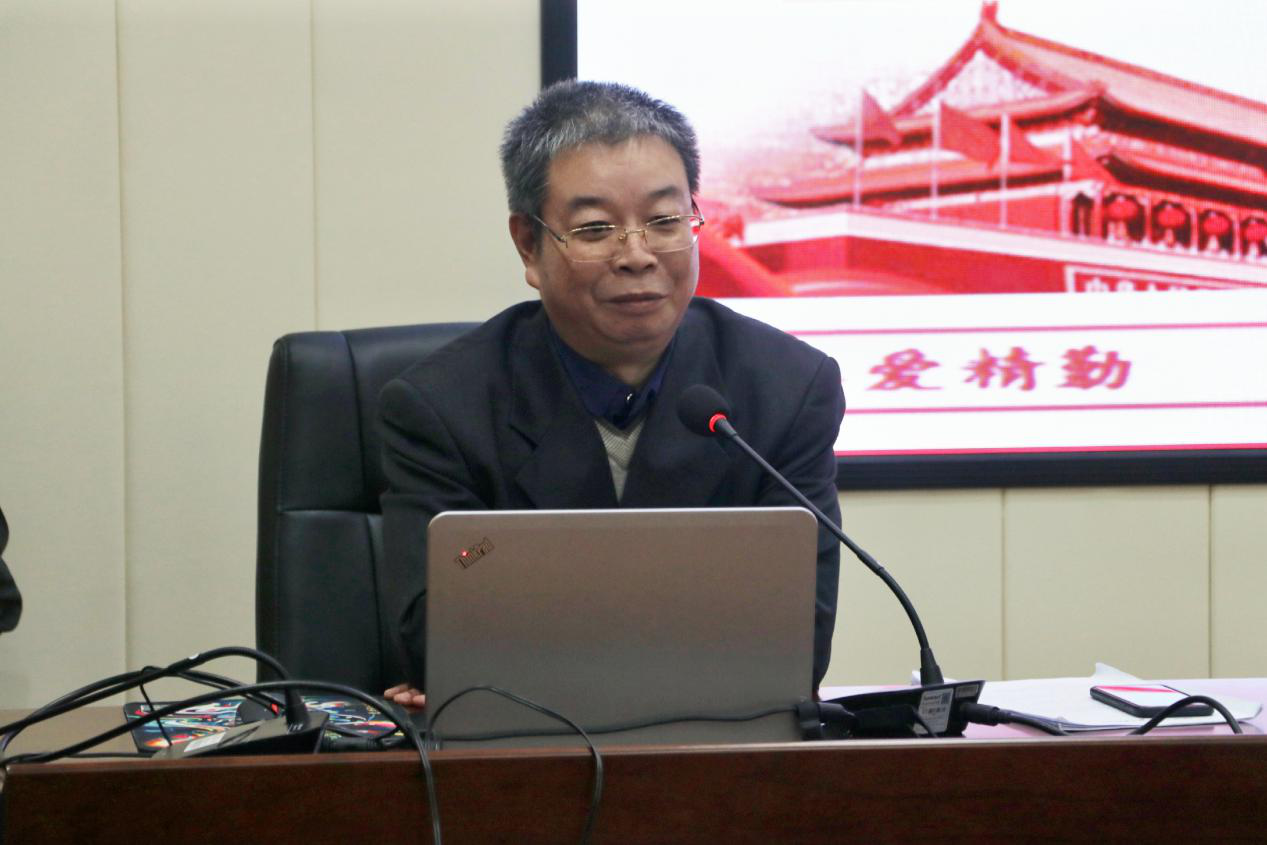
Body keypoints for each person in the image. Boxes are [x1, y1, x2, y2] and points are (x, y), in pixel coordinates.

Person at [379, 81, 844, 712]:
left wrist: (531, 630)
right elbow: (437, 640)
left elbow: (795, 645)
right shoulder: (442, 406)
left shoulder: (787, 388)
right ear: (529, 245)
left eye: (665, 221)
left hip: (712, 748)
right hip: (519, 752)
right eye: (596, 228)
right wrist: (690, 631)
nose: (637, 255)